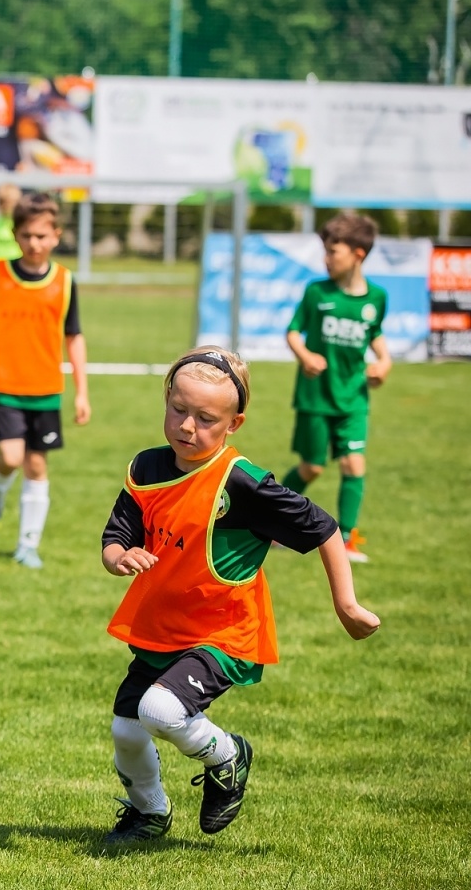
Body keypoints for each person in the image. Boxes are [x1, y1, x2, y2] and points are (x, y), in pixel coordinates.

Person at [99, 347, 379, 844]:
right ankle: (149, 813)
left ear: (234, 423)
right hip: (163, 626)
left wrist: (347, 604)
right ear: (166, 399)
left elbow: (323, 527)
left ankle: (228, 757)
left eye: (206, 418)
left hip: (222, 632)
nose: (188, 426)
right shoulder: (147, 467)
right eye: (178, 409)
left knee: (159, 711)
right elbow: (116, 535)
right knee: (125, 730)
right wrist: (120, 557)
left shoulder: (242, 483)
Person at [0, 191, 91, 569]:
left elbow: (74, 337)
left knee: (36, 465)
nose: (35, 243)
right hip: (4, 384)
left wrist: (82, 391)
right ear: (16, 235)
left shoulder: (64, 282)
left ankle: (28, 544)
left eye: (42, 236)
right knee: (10, 456)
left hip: (46, 388)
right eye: (27, 235)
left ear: (57, 236)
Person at [282, 213, 392, 563]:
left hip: (353, 398)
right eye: (326, 251)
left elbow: (375, 335)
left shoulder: (377, 297)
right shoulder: (317, 292)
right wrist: (305, 355)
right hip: (315, 397)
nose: (327, 259)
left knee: (353, 465)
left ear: (358, 254)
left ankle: (346, 540)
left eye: (334, 251)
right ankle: (272, 522)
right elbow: (293, 331)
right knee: (312, 468)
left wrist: (384, 362)